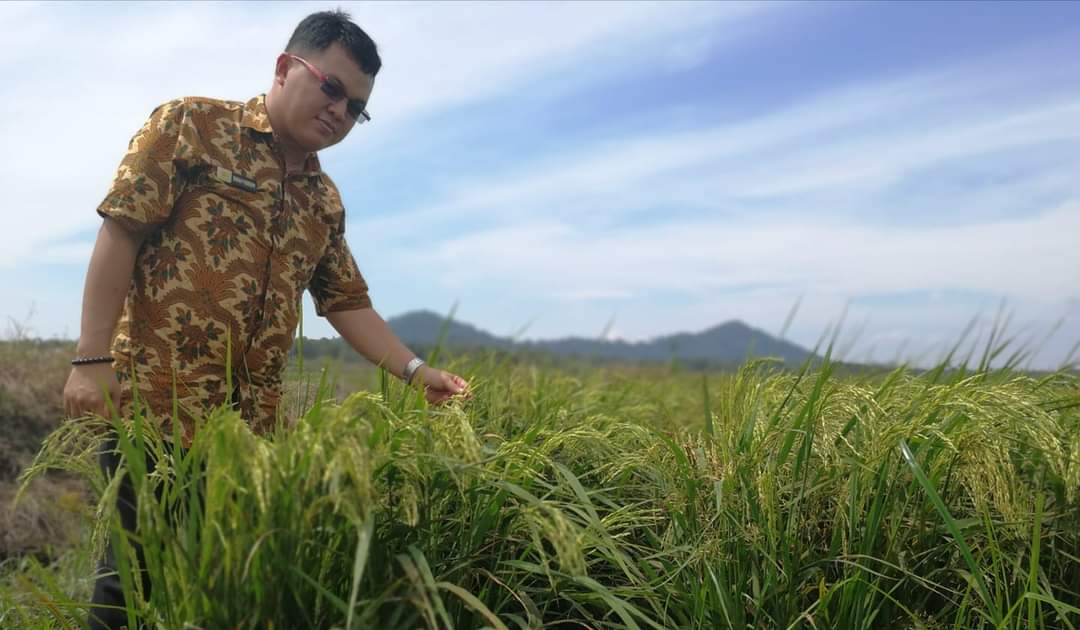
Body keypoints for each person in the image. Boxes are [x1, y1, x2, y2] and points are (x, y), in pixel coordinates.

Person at [61, 10, 469, 629]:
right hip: (153, 408)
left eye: (356, 107)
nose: (340, 111)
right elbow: (121, 232)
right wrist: (90, 361)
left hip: (248, 436)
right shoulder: (191, 126)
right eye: (332, 87)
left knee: (213, 588)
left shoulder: (323, 200)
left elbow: (346, 302)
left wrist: (417, 371)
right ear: (285, 68)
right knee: (132, 584)